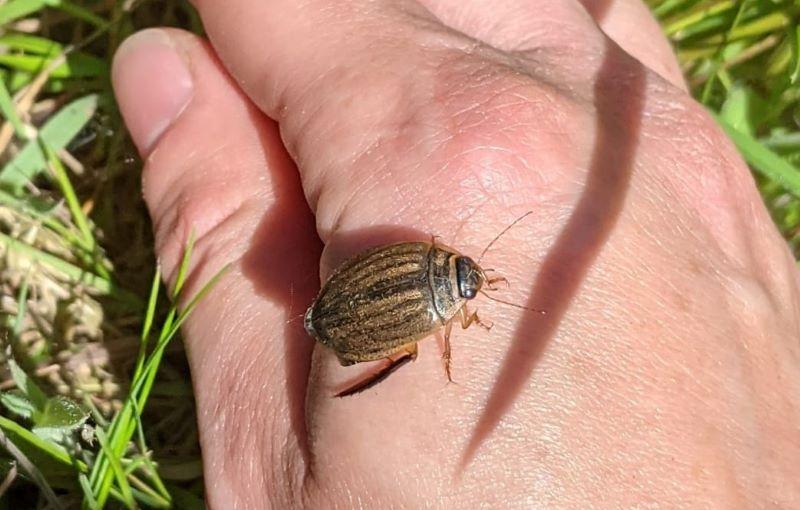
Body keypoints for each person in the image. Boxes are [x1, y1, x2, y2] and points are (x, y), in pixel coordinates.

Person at [111, 0, 800, 507]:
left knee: (396, 337)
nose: (477, 279)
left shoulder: (431, 268)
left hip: (363, 310)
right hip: (360, 309)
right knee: (407, 343)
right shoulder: (442, 300)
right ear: (449, 267)